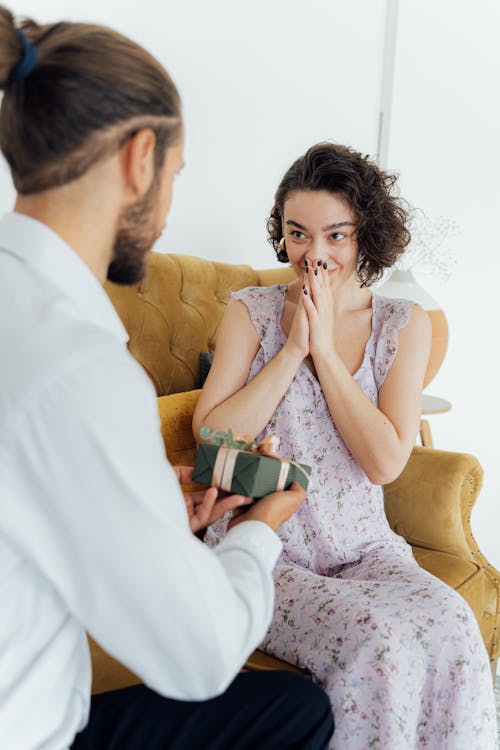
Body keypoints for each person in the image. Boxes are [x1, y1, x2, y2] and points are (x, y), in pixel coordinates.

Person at [0, 8, 335, 750]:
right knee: (296, 713)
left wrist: (147, 519)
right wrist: (258, 529)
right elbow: (199, 657)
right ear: (141, 158)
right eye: (176, 176)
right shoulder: (77, 365)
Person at [193, 142, 498, 749]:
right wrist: (293, 350)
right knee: (378, 642)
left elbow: (385, 463)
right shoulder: (249, 312)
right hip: (266, 549)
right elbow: (213, 434)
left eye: (336, 235)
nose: (316, 254)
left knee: (452, 624)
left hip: (366, 549)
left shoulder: (402, 324)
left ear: (366, 236)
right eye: (298, 234)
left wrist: (328, 352)